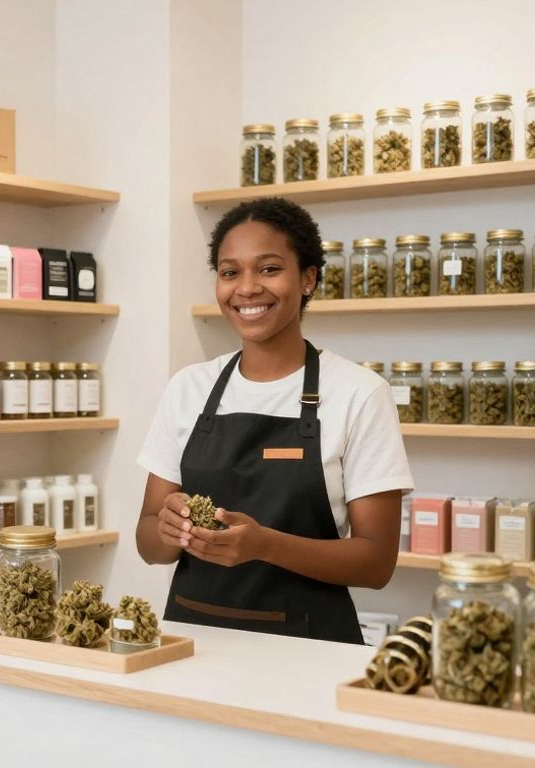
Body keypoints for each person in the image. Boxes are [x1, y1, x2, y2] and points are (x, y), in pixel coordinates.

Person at [136, 197, 412, 643]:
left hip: (309, 650)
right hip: (192, 645)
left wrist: (264, 545)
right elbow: (148, 542)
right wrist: (171, 530)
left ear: (308, 278)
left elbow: (377, 563)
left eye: (268, 269)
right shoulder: (188, 388)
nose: (246, 288)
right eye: (230, 272)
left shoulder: (359, 393)